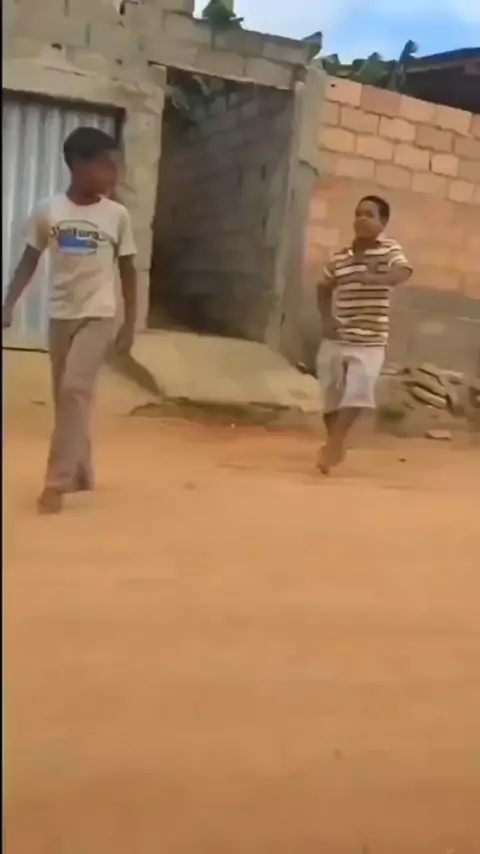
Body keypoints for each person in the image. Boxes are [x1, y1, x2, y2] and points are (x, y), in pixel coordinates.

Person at [2, 126, 137, 513]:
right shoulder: (49, 210)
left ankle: (56, 482)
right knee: (67, 398)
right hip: (60, 315)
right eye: (107, 166)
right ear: (79, 164)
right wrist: (8, 304)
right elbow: (29, 260)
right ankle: (81, 471)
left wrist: (129, 324)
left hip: (98, 315)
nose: (113, 174)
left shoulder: (117, 215)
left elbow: (129, 271)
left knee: (74, 390)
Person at [316, 195, 412, 474]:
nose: (361, 219)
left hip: (370, 339)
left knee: (358, 392)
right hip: (337, 337)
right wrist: (326, 318)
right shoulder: (341, 256)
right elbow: (323, 287)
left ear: (383, 222)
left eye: (369, 214)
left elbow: (402, 272)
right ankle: (336, 441)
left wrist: (375, 278)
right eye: (358, 213)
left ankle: (334, 444)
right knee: (330, 397)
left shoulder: (389, 250)